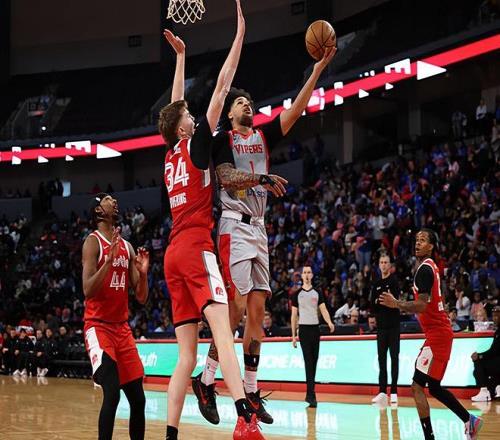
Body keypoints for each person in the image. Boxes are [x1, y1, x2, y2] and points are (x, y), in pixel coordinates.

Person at [194, 26, 337, 427]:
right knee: (236, 308)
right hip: (233, 227)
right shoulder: (222, 139)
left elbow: (297, 110)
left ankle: (251, 390)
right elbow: (225, 178)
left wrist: (318, 69)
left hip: (259, 229)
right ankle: (206, 381)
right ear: (229, 112)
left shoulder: (262, 135)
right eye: (242, 102)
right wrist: (259, 179)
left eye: (251, 102)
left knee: (258, 314)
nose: (248, 105)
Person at [160, 2, 277, 438]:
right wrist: (240, 35)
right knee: (224, 332)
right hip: (195, 247)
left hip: (172, 255)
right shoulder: (196, 144)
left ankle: (171, 433)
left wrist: (181, 58)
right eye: (190, 118)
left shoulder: (170, 153)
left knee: (186, 357)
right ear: (185, 129)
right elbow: (223, 83)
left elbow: (173, 108)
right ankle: (245, 419)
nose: (195, 117)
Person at [380, 229, 483, 440]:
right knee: (433, 387)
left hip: (437, 335)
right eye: (416, 240)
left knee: (416, 386)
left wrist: (397, 303)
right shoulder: (431, 267)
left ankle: (430, 437)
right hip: (440, 333)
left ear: (431, 246)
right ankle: (469, 420)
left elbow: (421, 305)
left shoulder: (425, 270)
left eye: (423, 240)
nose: (418, 243)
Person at [82, 193, 149, 440]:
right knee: (112, 394)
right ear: (98, 210)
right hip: (98, 327)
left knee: (139, 399)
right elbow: (87, 289)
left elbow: (141, 297)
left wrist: (143, 274)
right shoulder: (93, 242)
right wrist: (108, 262)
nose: (114, 201)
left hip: (122, 329)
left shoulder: (127, 246)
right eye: (108, 199)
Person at [291, 266, 335, 408]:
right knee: (308, 361)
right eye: (304, 272)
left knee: (314, 361)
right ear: (302, 276)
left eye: (309, 272)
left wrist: (329, 322)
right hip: (303, 330)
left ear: (312, 275)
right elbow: (294, 315)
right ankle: (311, 394)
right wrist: (293, 335)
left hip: (315, 329)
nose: (307, 274)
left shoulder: (317, 292)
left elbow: (323, 309)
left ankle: (310, 393)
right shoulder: (296, 294)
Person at [370, 253, 401, 405]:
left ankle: (394, 391)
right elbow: (373, 304)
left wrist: (382, 300)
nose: (383, 265)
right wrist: (381, 300)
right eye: (381, 262)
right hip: (381, 328)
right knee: (381, 360)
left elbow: (394, 302)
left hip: (394, 327)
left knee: (394, 358)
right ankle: (382, 392)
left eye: (386, 262)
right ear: (379, 265)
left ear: (390, 265)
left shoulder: (394, 281)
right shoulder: (375, 283)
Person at [470, 306, 500, 402]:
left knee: (478, 363)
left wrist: (479, 356)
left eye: (497, 316)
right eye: (493, 316)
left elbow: (494, 351)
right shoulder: (498, 331)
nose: (495, 318)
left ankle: (484, 392)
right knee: (481, 370)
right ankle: (496, 389)